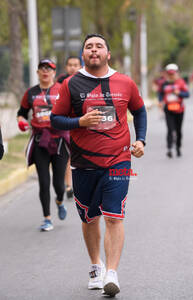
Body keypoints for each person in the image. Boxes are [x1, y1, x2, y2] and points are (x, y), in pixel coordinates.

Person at [51, 34, 147, 297]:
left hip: (119, 160)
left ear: (108, 53)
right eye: (89, 47)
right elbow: (56, 119)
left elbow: (139, 110)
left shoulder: (124, 82)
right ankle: (96, 266)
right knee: (89, 217)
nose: (94, 50)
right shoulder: (71, 84)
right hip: (83, 163)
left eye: (99, 46)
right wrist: (79, 123)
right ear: (83, 55)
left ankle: (112, 273)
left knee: (114, 216)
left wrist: (140, 139)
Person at [17, 59, 69, 231]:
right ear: (38, 72)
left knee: (59, 184)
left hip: (59, 140)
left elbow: (72, 111)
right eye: (42, 69)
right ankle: (47, 218)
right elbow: (21, 113)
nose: (45, 71)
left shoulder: (62, 90)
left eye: (49, 69)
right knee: (44, 182)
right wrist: (22, 122)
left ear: (54, 73)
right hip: (40, 140)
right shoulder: (30, 93)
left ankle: (60, 201)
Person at [57, 56, 82, 199]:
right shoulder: (61, 81)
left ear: (80, 66)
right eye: (70, 65)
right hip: (65, 123)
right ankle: (68, 185)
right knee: (68, 155)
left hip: (81, 123)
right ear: (66, 67)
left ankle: (79, 183)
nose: (73, 67)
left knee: (79, 155)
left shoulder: (85, 80)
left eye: (76, 65)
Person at [159, 63, 189, 158]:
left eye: (173, 74)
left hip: (179, 110)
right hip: (168, 110)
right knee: (170, 129)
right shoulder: (164, 83)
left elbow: (187, 94)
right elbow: (160, 93)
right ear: (167, 74)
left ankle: (178, 147)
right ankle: (169, 148)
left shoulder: (181, 82)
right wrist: (160, 101)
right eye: (169, 74)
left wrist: (179, 93)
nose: (171, 75)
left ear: (177, 73)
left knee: (178, 130)